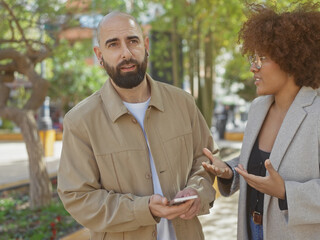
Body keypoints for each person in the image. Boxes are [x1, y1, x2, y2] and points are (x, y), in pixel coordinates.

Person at [202, 2, 320, 240]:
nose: (252, 67)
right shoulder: (258, 108)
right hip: (253, 230)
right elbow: (261, 166)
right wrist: (229, 171)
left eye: (262, 58)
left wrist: (286, 192)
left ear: (291, 60)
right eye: (253, 57)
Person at [58, 11, 217, 240]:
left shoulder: (183, 103)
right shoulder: (80, 121)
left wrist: (197, 191)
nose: (126, 53)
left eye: (132, 41)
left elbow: (206, 159)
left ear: (146, 44)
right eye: (113, 44)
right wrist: (143, 209)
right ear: (99, 54)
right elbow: (79, 198)